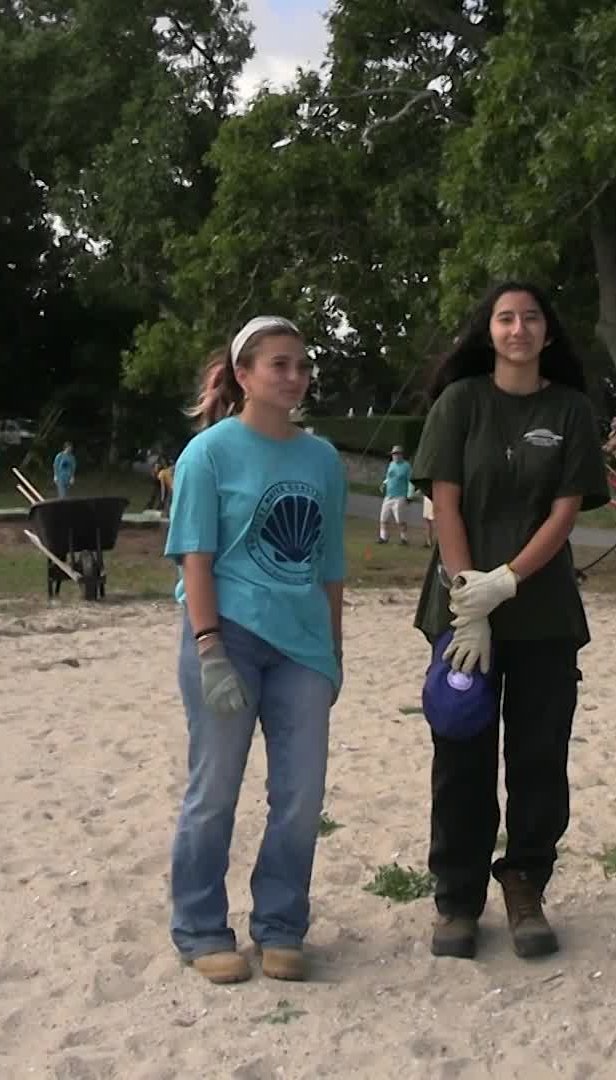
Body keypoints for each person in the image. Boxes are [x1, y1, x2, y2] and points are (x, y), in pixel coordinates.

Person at [409, 281, 609, 961]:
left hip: (543, 612)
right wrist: (470, 596)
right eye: (505, 318)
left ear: (548, 331)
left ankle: (525, 885)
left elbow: (565, 512)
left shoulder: (570, 409)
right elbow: (446, 503)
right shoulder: (459, 403)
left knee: (539, 758)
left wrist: (509, 581)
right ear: (488, 330)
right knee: (460, 755)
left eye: (530, 317)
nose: (518, 328)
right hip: (462, 609)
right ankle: (457, 900)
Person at [163, 315, 348, 986]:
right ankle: (200, 928)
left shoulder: (322, 459)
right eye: (280, 365)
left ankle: (281, 926)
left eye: (303, 365)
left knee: (300, 796)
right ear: (243, 376)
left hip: (303, 647)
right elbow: (195, 556)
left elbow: (330, 563)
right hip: (229, 635)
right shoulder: (208, 454)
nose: (295, 377)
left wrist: (333, 651)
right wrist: (208, 646)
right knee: (214, 790)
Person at [378, 445, 413, 544]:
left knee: (400, 520)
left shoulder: (406, 466)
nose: (395, 456)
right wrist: (384, 484)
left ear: (401, 455)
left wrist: (410, 495)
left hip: (400, 496)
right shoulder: (391, 464)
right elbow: (389, 477)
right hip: (389, 495)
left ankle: (404, 538)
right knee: (383, 518)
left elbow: (410, 481)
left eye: (397, 454)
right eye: (393, 454)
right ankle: (383, 537)